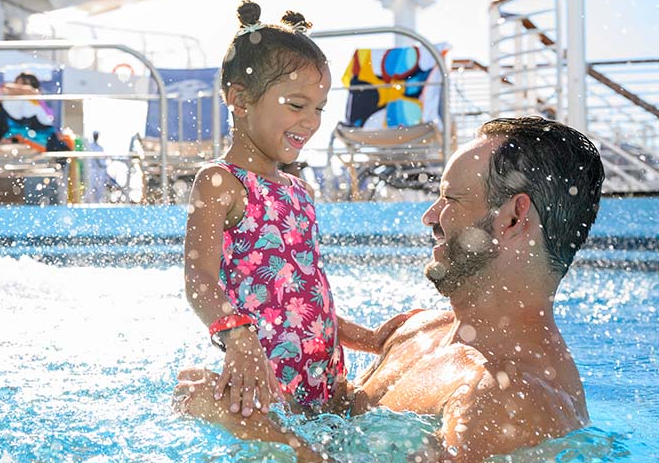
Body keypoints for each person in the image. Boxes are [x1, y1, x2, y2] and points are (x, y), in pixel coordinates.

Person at [175, 116, 606, 463]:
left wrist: (251, 428)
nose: (430, 216)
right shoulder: (418, 331)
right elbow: (339, 420)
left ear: (512, 218)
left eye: (451, 199)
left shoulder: (511, 400)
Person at [183, 0, 408, 420]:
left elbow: (303, 297)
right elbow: (199, 280)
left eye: (319, 108)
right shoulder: (221, 182)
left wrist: (370, 339)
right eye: (296, 105)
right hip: (265, 386)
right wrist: (238, 337)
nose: (311, 122)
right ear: (240, 99)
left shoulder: (301, 192)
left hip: (328, 383)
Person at [0, 72, 71, 153]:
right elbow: (4, 88)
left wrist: (17, 90)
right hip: (15, 132)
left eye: (24, 83)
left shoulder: (37, 98)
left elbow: (31, 91)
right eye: (17, 83)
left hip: (39, 134)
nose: (19, 87)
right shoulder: (8, 100)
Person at [84, 130, 108, 203]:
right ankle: (89, 201)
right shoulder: (90, 146)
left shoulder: (100, 148)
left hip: (100, 170)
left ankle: (98, 201)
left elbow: (102, 160)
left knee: (99, 188)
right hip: (92, 169)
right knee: (91, 186)